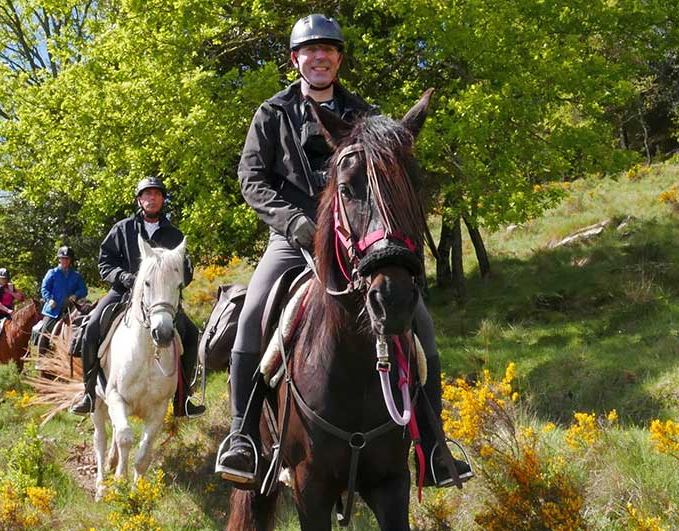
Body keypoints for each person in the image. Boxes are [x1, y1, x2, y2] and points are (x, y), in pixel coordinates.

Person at [215, 13, 473, 488]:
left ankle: (434, 446)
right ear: (296, 60)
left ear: (338, 59)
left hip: (357, 238)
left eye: (329, 50)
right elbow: (251, 180)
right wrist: (293, 221)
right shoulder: (271, 114)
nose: (320, 57)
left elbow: (388, 173)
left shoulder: (366, 115)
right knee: (252, 313)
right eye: (310, 51)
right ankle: (242, 437)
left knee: (420, 322)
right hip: (292, 237)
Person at [70, 176, 205, 418]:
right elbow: (105, 264)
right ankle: (89, 393)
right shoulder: (121, 229)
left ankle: (183, 398)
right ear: (139, 200)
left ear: (163, 199)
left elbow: (185, 272)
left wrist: (183, 271)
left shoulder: (174, 235)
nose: (151, 198)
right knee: (91, 328)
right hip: (123, 292)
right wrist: (125, 278)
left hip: (161, 299)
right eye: (146, 194)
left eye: (156, 194)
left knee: (192, 334)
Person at [37, 246, 88, 351]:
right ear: (59, 259)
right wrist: (49, 299)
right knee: (45, 333)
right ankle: (40, 357)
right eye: (62, 258)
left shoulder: (76, 276)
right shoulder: (52, 273)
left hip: (70, 309)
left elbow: (84, 289)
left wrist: (76, 295)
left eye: (67, 258)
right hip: (53, 310)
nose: (65, 261)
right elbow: (44, 289)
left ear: (70, 260)